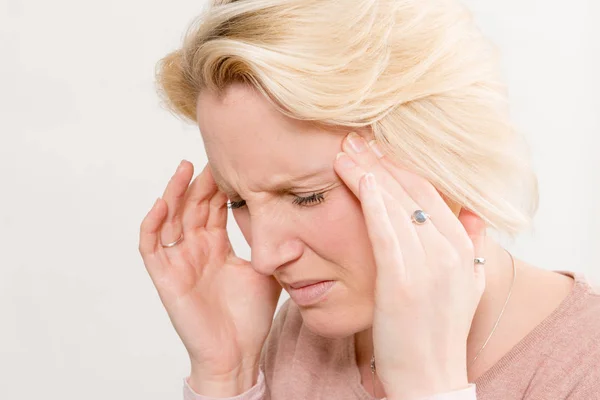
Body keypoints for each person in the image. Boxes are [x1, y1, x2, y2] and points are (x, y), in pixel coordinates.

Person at [138, 0, 600, 399]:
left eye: (307, 196)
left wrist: (427, 387)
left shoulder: (583, 371)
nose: (263, 257)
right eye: (238, 201)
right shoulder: (304, 335)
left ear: (439, 159)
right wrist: (227, 374)